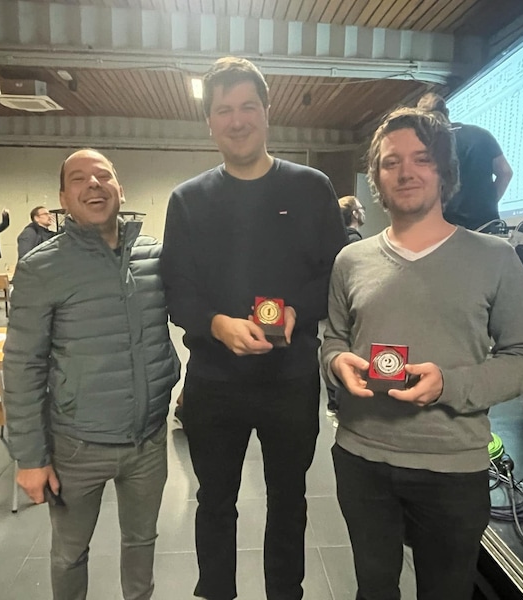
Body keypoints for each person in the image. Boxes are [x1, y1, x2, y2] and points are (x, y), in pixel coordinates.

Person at [321, 107, 523, 600]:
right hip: (362, 459)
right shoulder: (350, 260)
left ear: (445, 171)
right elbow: (333, 339)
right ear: (377, 179)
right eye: (391, 162)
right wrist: (336, 363)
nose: (406, 172)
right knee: (373, 590)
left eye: (421, 159)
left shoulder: (495, 258)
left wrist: (450, 384)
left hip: (452, 467)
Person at [160, 57, 346, 600]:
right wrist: (218, 325)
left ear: (267, 113)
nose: (236, 120)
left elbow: (335, 275)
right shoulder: (188, 200)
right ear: (210, 123)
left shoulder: (311, 188)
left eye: (247, 107)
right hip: (215, 382)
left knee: (289, 500)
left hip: (290, 379)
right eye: (224, 110)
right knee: (214, 501)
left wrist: (296, 312)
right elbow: (178, 290)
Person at [2, 148, 180, 600]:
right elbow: (22, 365)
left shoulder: (153, 256)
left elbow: (199, 307)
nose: (93, 184)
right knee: (69, 553)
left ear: (121, 189)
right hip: (76, 446)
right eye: (79, 179)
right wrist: (30, 457)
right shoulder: (40, 267)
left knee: (141, 542)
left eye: (103, 175)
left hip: (147, 441)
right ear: (63, 198)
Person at [417, 92, 513, 231]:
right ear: (447, 112)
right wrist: (488, 204)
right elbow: (505, 172)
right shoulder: (480, 133)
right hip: (487, 227)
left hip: (449, 230)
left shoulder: (429, 144)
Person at [325, 195, 367, 415]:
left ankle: (334, 402)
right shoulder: (354, 244)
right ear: (355, 214)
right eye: (361, 208)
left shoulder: (335, 240)